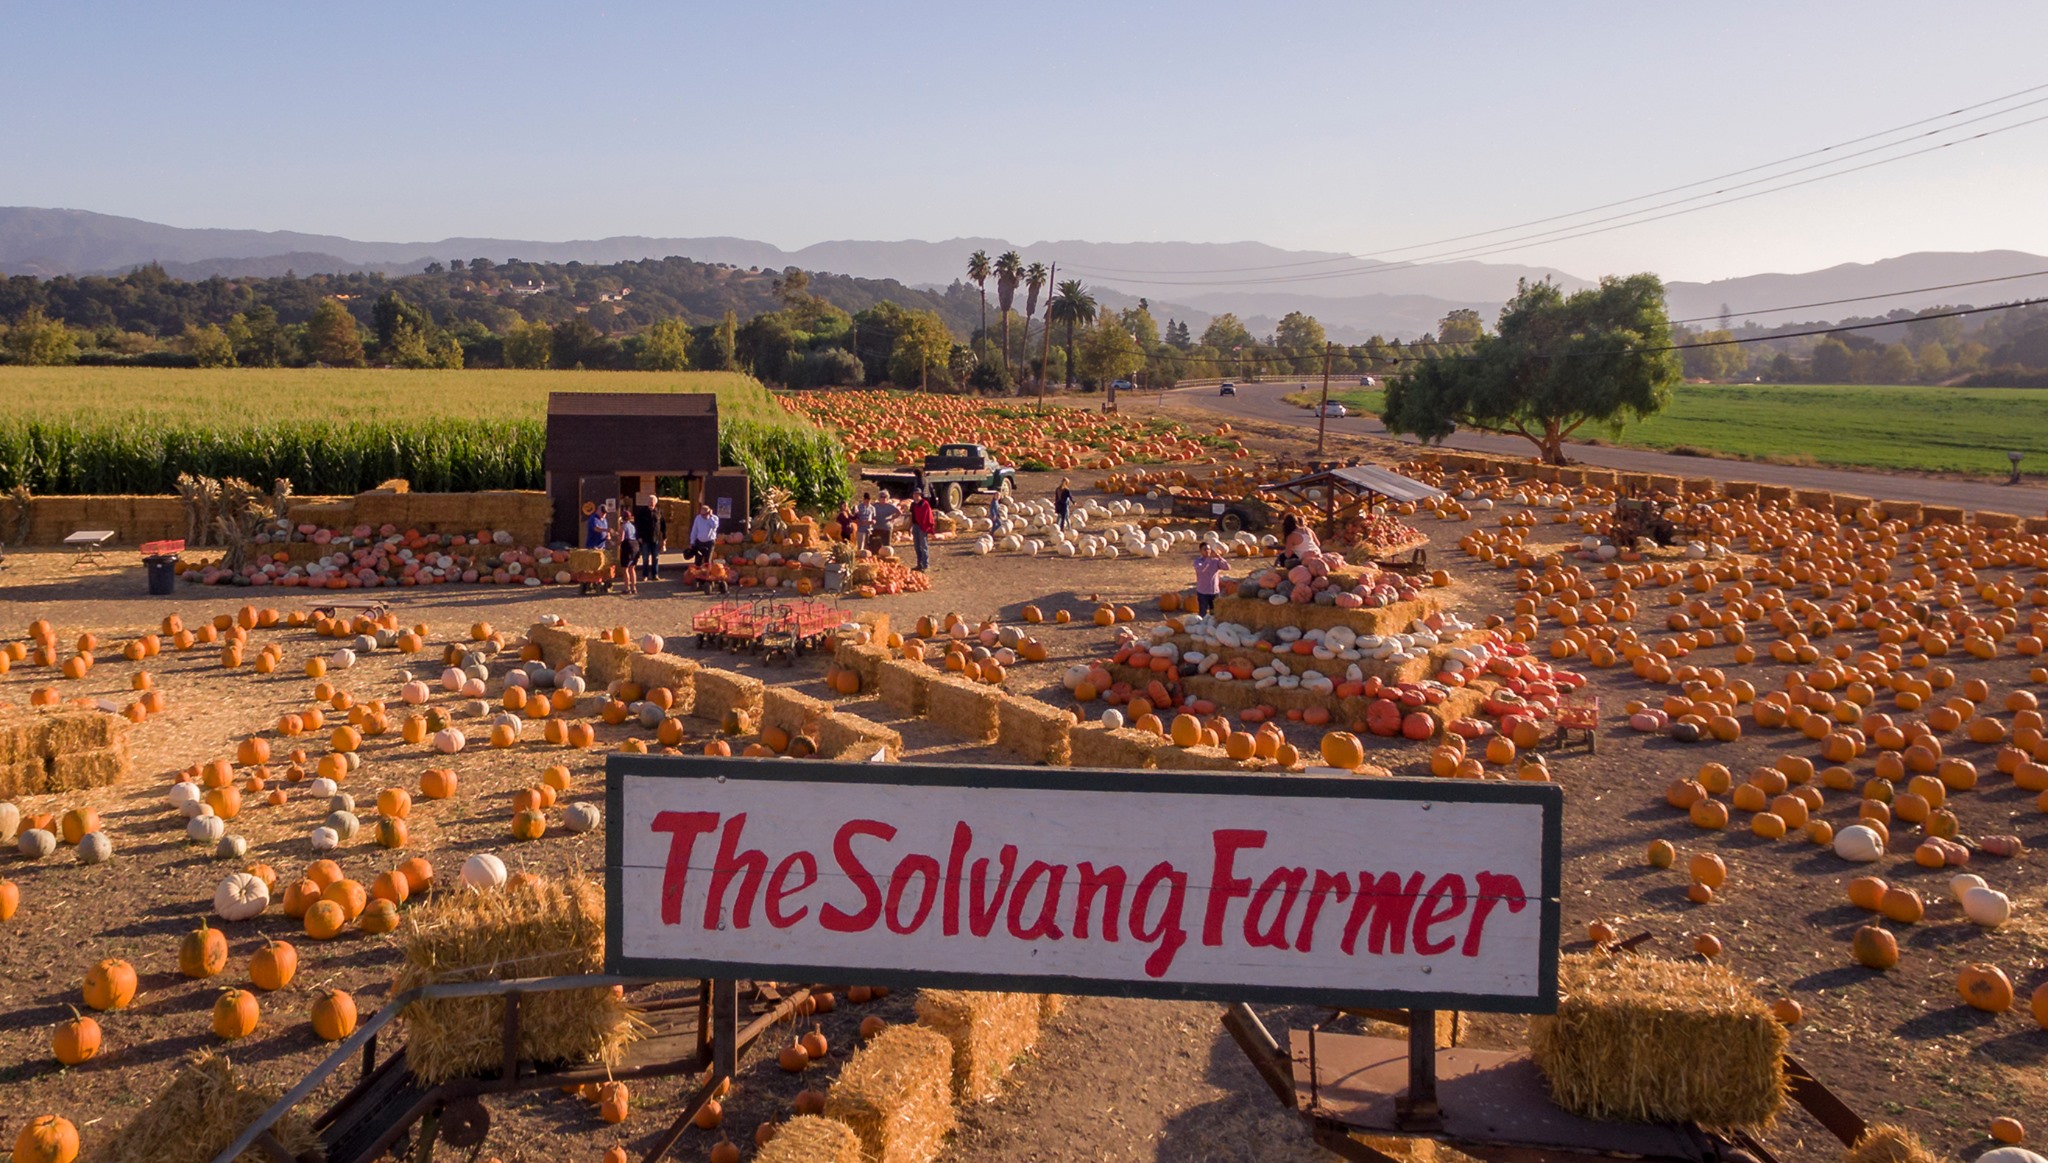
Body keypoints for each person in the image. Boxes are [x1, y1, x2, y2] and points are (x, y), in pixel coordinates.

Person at [1192, 540, 1230, 618]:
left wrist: (1219, 557)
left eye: (1209, 549)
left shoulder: (1216, 561)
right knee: (1203, 614)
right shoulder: (1197, 561)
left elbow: (1227, 567)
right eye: (1205, 549)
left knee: (1216, 614)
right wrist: (1209, 559)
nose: (1207, 551)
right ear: (1200, 551)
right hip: (1203, 593)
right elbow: (1201, 569)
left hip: (1214, 592)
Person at [632, 493, 663, 581]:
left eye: (652, 501)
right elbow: (637, 525)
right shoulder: (642, 512)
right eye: (649, 501)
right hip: (645, 539)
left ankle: (655, 574)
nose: (650, 502)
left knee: (655, 558)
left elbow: (663, 526)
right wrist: (639, 536)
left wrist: (664, 538)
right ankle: (645, 575)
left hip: (655, 539)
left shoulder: (659, 512)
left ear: (655, 502)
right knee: (645, 558)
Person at [909, 489, 935, 572]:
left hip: (922, 527)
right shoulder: (913, 504)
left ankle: (926, 565)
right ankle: (919, 564)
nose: (916, 495)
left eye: (917, 494)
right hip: (915, 526)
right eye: (914, 494)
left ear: (920, 495)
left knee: (924, 546)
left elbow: (928, 516)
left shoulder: (924, 504)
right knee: (917, 546)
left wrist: (926, 526)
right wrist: (910, 526)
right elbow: (911, 516)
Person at [616, 509, 640, 595]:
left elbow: (621, 538)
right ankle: (634, 588)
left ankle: (627, 588)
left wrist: (616, 543)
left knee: (625, 568)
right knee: (632, 568)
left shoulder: (623, 526)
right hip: (635, 545)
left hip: (628, 546)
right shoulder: (632, 526)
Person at [688, 503, 720, 567]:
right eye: (701, 514)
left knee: (707, 560)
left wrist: (710, 517)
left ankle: (706, 575)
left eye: (704, 514)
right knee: (698, 560)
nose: (702, 516)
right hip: (699, 542)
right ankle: (697, 575)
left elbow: (715, 526)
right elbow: (694, 530)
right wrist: (692, 542)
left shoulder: (714, 518)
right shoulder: (698, 518)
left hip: (709, 542)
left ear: (708, 512)